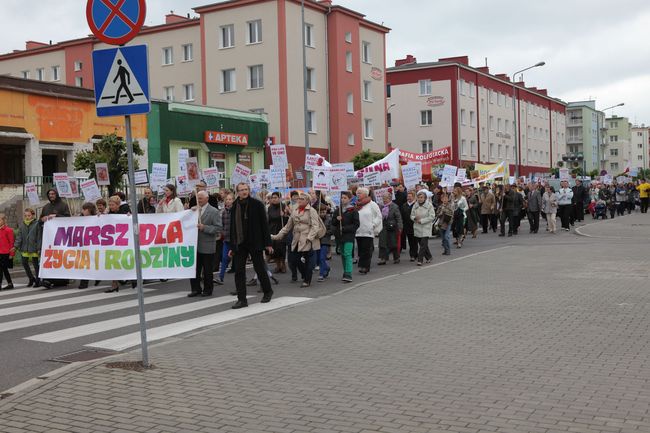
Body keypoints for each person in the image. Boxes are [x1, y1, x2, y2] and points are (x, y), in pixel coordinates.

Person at [229, 183, 274, 308]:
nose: (244, 192)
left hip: (255, 241)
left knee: (259, 268)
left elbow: (264, 225)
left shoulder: (257, 204)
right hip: (240, 242)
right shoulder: (234, 206)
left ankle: (267, 291)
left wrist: (268, 243)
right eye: (241, 190)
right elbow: (232, 228)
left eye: (246, 189)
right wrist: (232, 247)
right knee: (239, 271)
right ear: (237, 192)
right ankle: (242, 299)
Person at [272, 193, 321, 288]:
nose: (300, 200)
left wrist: (310, 237)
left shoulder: (311, 211)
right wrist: (277, 236)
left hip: (307, 239)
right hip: (296, 238)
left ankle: (307, 280)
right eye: (299, 199)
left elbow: (316, 226)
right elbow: (288, 226)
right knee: (294, 259)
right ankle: (304, 274)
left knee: (308, 261)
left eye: (302, 199)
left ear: (307, 201)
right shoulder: (295, 211)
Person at [188, 191, 222, 298]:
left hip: (207, 245)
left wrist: (205, 228)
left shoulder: (214, 211)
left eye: (201, 198)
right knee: (194, 269)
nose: (199, 200)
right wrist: (190, 211)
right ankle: (195, 289)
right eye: (198, 198)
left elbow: (218, 228)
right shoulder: (194, 210)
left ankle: (208, 289)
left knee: (207, 270)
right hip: (194, 245)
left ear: (207, 198)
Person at [39, 189, 71, 289]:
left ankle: (62, 280)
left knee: (61, 257)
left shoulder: (63, 205)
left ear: (57, 194)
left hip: (61, 236)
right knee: (51, 257)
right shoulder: (46, 207)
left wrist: (56, 216)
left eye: (53, 194)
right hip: (49, 238)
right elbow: (40, 220)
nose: (51, 195)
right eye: (49, 194)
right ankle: (48, 279)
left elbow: (68, 218)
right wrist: (42, 219)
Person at [331, 192, 359, 283]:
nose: (343, 200)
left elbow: (356, 224)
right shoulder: (338, 210)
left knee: (347, 254)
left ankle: (348, 274)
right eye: (342, 198)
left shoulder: (353, 210)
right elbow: (333, 222)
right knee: (343, 254)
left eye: (345, 198)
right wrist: (336, 219)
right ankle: (345, 272)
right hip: (340, 236)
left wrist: (345, 228)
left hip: (349, 236)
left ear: (350, 199)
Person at [354, 187, 382, 274]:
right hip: (358, 231)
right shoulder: (356, 204)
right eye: (357, 193)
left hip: (368, 231)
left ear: (366, 194)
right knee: (360, 249)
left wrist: (373, 224)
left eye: (360, 193)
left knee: (366, 249)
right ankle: (362, 265)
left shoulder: (372, 204)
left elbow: (379, 216)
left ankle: (365, 266)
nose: (358, 195)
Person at [13, 208, 41, 288]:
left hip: (34, 247)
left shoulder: (37, 224)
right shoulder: (22, 225)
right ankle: (31, 278)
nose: (27, 217)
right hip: (25, 248)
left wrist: (39, 248)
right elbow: (19, 237)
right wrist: (15, 246)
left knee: (36, 265)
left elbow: (39, 237)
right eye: (25, 215)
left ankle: (38, 281)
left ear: (33, 215)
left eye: (29, 215)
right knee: (24, 263)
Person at [78, 203, 101, 289]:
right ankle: (84, 282)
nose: (82, 211)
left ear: (88, 210)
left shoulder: (97, 217)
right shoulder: (81, 218)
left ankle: (98, 276)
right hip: (84, 244)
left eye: (84, 209)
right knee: (85, 262)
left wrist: (101, 216)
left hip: (94, 243)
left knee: (95, 261)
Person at [411, 190, 436, 266]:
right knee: (422, 244)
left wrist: (422, 221)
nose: (420, 199)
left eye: (421, 197)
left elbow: (432, 216)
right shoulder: (415, 205)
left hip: (426, 227)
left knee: (423, 244)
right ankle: (429, 257)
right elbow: (411, 215)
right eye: (418, 197)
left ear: (425, 198)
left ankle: (420, 259)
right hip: (417, 227)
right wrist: (415, 218)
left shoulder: (429, 205)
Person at [377, 193, 403, 265]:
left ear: (390, 199)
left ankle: (396, 257)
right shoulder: (380, 207)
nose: (384, 200)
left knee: (393, 243)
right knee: (382, 243)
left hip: (392, 227)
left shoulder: (394, 207)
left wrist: (400, 227)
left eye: (386, 198)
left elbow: (398, 218)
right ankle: (383, 258)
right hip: (383, 227)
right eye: (383, 198)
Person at [267, 192, 288, 274]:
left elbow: (288, 221)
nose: (274, 199)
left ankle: (283, 265)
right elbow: (270, 218)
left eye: (276, 197)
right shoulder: (269, 208)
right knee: (274, 248)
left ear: (280, 198)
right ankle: (278, 265)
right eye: (272, 198)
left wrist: (284, 215)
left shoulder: (284, 207)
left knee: (281, 248)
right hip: (272, 229)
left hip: (281, 229)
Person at [215, 193, 234, 285]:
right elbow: (221, 224)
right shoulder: (223, 212)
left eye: (230, 199)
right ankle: (220, 277)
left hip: (235, 240)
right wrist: (220, 233)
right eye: (227, 199)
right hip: (226, 239)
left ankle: (243, 278)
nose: (228, 201)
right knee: (224, 258)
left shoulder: (236, 211)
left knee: (239, 260)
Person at [401, 191, 418, 262]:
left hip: (415, 225)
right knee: (410, 242)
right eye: (408, 196)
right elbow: (401, 216)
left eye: (410, 196)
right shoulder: (404, 205)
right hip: (407, 226)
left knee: (415, 241)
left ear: (414, 197)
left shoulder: (416, 205)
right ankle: (412, 255)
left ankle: (415, 254)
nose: (409, 198)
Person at [317, 206, 333, 281]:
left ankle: (321, 274)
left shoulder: (329, 220)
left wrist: (323, 232)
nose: (322, 214)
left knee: (322, 257)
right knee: (318, 259)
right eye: (320, 212)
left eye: (324, 212)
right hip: (317, 241)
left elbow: (332, 230)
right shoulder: (316, 220)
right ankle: (326, 267)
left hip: (325, 241)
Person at [0, 214, 15, 290]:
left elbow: (12, 243)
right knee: (3, 269)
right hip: (0, 253)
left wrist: (11, 254)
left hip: (5, 253)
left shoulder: (8, 230)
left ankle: (9, 283)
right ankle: (10, 283)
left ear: (4, 220)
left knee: (3, 269)